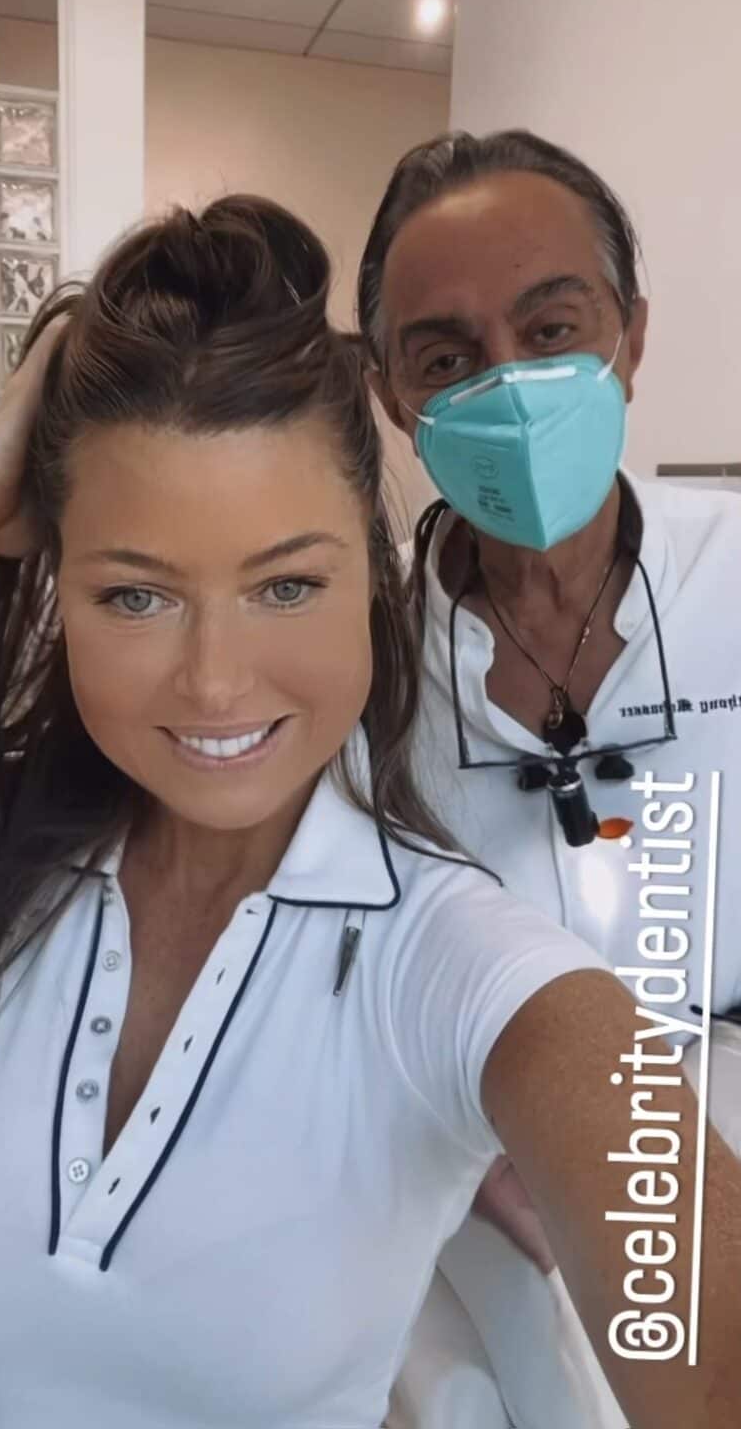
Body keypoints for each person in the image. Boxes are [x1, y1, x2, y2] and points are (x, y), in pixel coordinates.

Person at [0, 195, 739, 1429]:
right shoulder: (5, 858)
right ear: (60, 591)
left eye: (285, 584)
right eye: (136, 597)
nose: (215, 683)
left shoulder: (451, 961)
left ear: (373, 586)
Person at [358, 129, 741, 1428]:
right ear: (389, 393)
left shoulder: (732, 573)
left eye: (552, 328)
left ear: (631, 336)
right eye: (446, 358)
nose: (509, 388)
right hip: (474, 1171)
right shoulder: (356, 656)